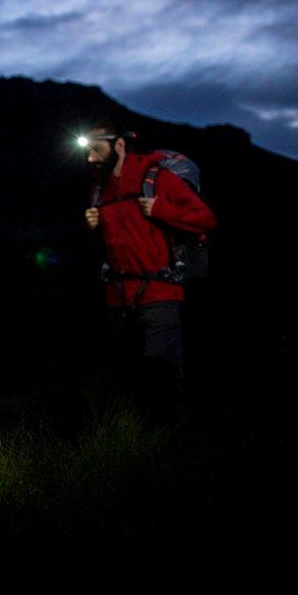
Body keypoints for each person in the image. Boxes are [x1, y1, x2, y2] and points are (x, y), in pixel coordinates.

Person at [82, 118, 216, 428]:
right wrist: (91, 228)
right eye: (86, 150)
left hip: (159, 296)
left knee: (164, 381)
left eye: (95, 149)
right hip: (118, 301)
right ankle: (143, 453)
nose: (90, 158)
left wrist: (161, 210)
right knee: (131, 381)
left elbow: (206, 219)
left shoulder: (155, 177)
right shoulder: (99, 189)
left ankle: (174, 450)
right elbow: (113, 244)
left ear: (118, 144)